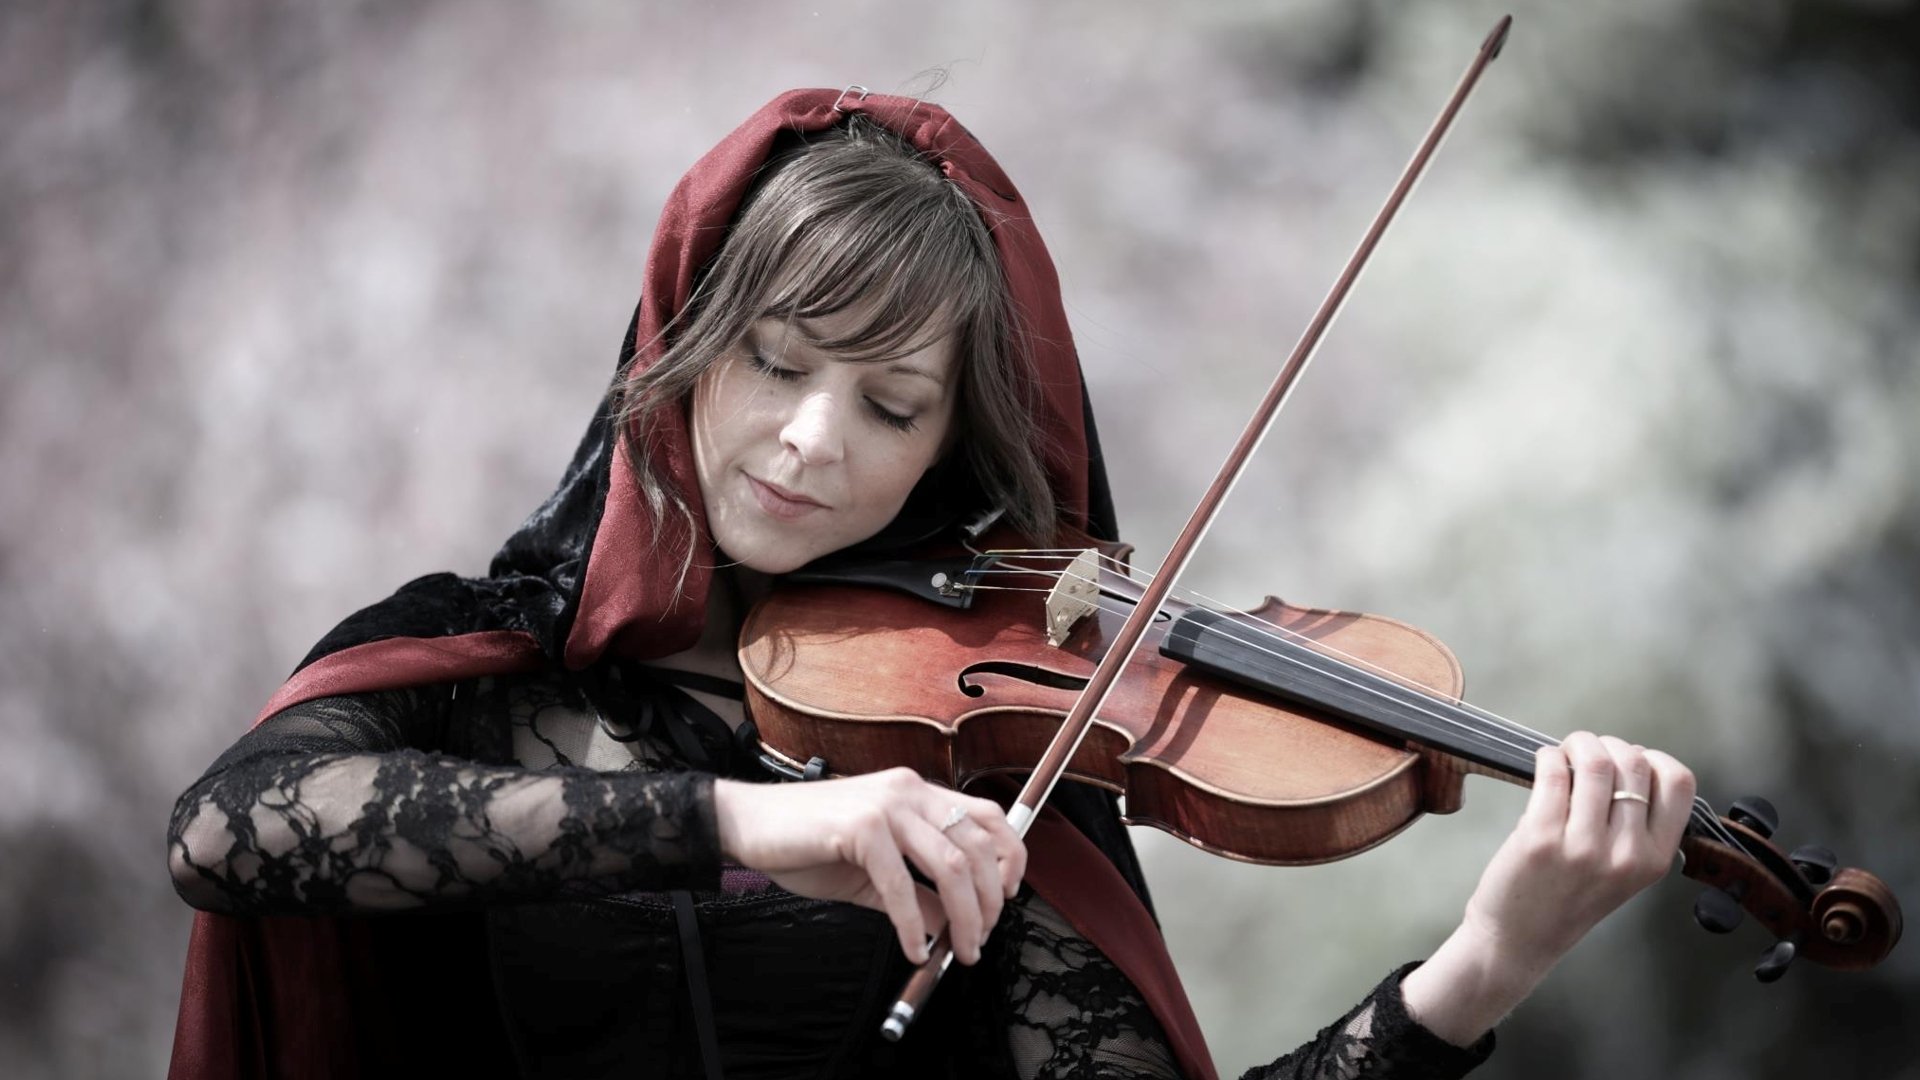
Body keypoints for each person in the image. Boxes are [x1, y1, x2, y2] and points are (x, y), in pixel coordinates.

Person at [166, 88, 1696, 1080]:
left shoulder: (991, 757)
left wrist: (1483, 970)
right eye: (772, 362)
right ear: (678, 349)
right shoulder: (479, 663)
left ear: (948, 454)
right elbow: (230, 832)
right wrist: (766, 824)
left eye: (891, 408)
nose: (811, 440)